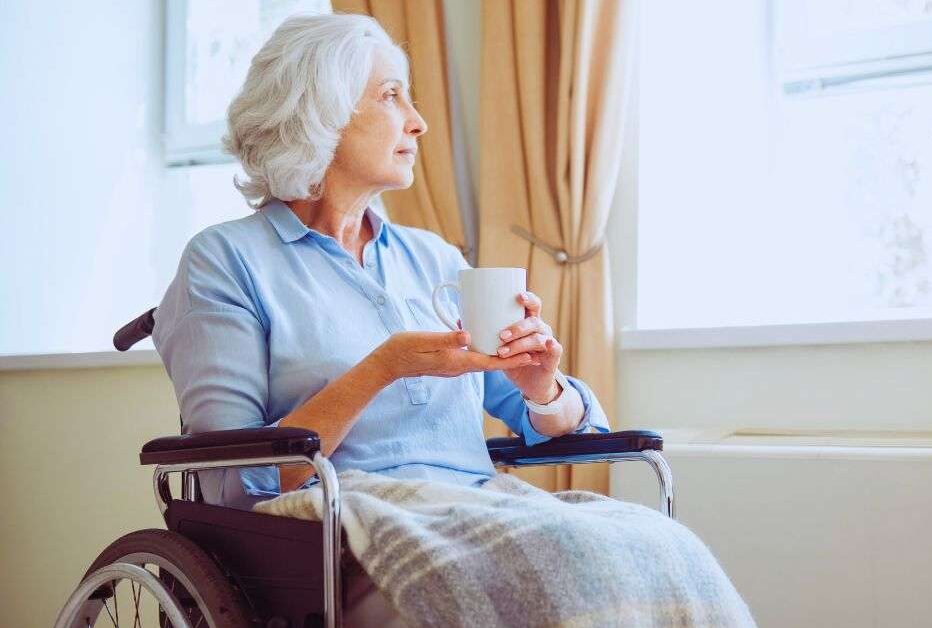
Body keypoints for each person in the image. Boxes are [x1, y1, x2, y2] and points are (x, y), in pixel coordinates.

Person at [152, 13, 609, 511]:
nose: (419, 122)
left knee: (642, 544)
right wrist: (383, 368)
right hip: (345, 526)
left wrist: (542, 389)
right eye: (391, 96)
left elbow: (579, 428)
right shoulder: (226, 261)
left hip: (476, 511)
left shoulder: (434, 258)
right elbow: (235, 482)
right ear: (319, 113)